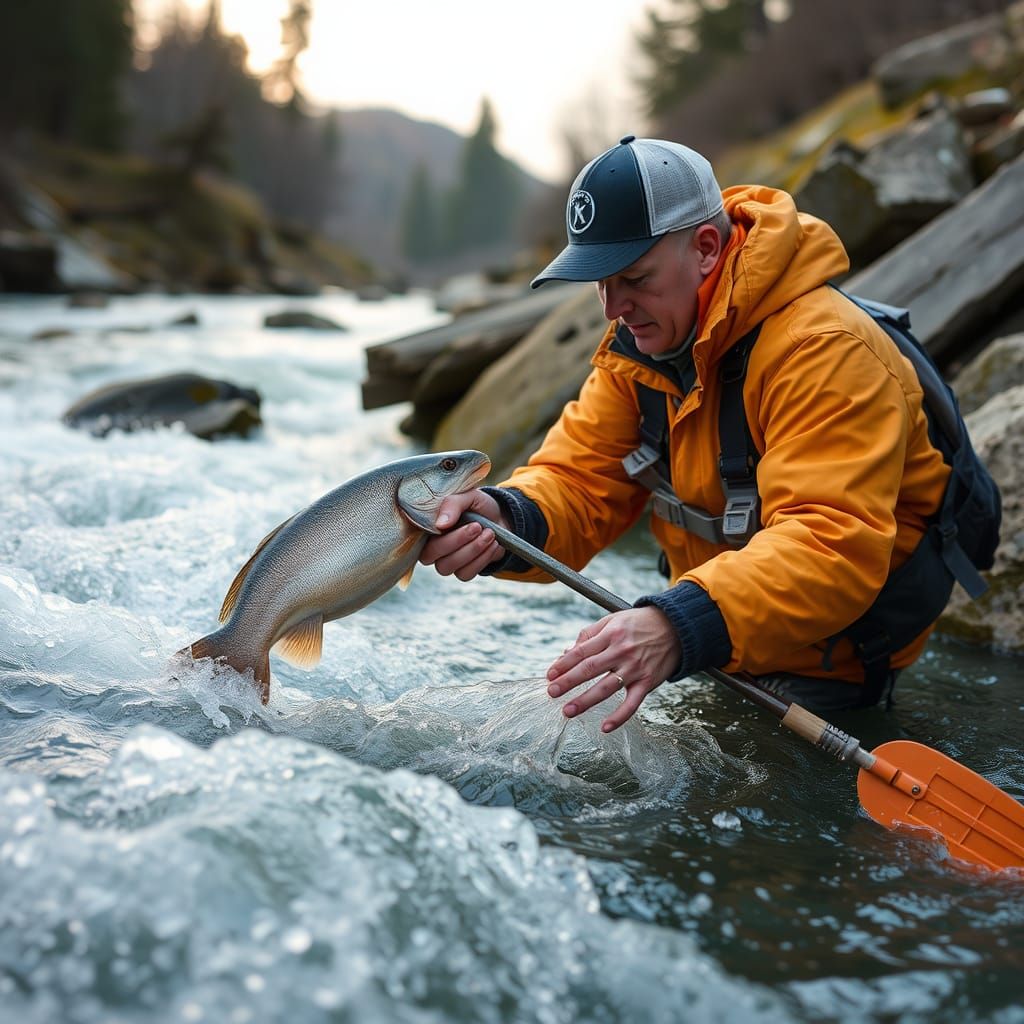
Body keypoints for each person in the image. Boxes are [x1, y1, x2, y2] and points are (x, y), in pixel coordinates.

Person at [419, 135, 951, 733]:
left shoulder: (825, 349)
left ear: (704, 249)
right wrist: (503, 518)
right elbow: (577, 481)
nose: (612, 307)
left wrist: (675, 625)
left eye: (634, 278)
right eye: (599, 282)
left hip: (836, 664)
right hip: (713, 635)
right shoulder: (642, 351)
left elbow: (831, 544)